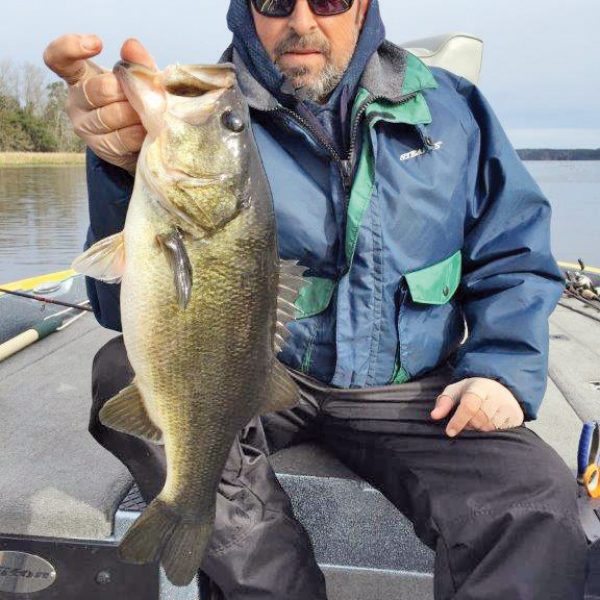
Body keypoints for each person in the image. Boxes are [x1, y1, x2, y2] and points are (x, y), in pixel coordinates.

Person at [44, 1, 589, 598]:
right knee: (123, 374)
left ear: (364, 8)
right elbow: (110, 299)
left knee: (536, 498)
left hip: (413, 388)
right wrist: (118, 165)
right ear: (245, 12)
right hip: (260, 373)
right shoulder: (198, 109)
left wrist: (502, 370)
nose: (301, 21)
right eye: (276, 1)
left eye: (328, 0)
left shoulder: (454, 112)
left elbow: (513, 252)